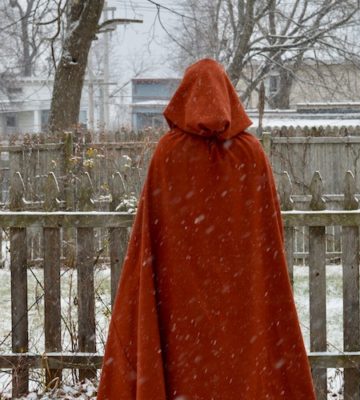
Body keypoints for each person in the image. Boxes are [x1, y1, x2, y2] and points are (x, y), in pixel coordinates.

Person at [97, 58, 316, 400]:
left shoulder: (169, 154)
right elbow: (270, 238)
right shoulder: (251, 154)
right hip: (242, 305)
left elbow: (150, 240)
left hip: (178, 307)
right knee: (245, 370)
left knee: (185, 372)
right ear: (229, 95)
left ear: (185, 96)